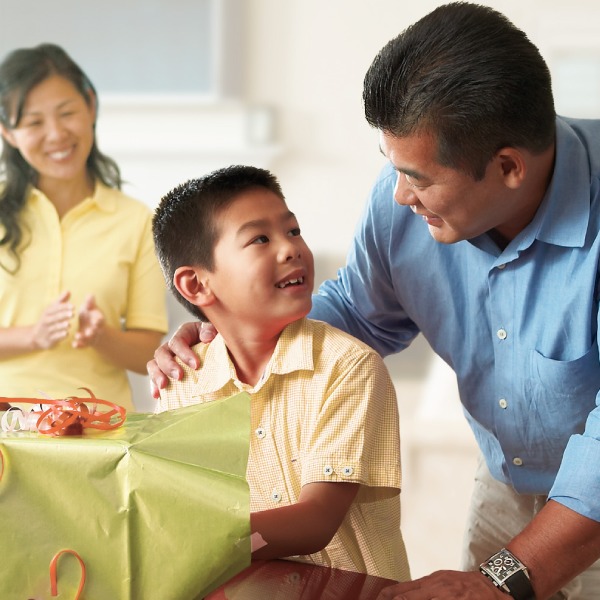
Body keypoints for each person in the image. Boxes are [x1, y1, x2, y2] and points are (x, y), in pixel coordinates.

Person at [148, 3, 600, 599]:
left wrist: (501, 579)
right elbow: (357, 314)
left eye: (418, 177)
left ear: (508, 166)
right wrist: (229, 335)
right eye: (392, 166)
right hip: (508, 480)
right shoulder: (404, 200)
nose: (399, 194)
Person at [151, 165, 410, 582]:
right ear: (197, 286)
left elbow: (315, 523)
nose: (290, 249)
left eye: (292, 231)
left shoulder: (348, 367)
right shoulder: (180, 382)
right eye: (260, 239)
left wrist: (185, 542)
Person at [0, 43, 168, 412]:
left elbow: (150, 356)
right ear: (8, 133)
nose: (57, 133)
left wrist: (102, 337)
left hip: (98, 430)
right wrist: (34, 336)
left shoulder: (136, 220)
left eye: (67, 113)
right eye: (34, 122)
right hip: (6, 427)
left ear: (90, 106)